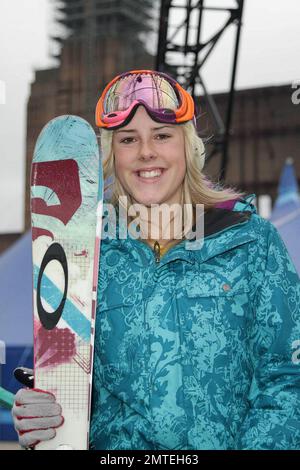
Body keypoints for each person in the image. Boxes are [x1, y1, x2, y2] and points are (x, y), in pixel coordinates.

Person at [12, 70, 300, 450]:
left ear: (188, 148)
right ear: (113, 156)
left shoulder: (251, 242)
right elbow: (75, 389)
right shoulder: (89, 253)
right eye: (129, 140)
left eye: (162, 136)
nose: (146, 151)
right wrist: (44, 412)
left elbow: (285, 379)